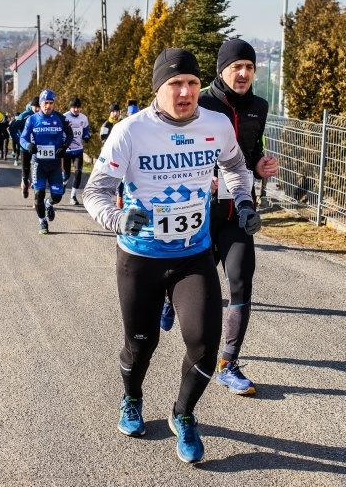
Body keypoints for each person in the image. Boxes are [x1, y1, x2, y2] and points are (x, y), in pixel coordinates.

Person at [83, 48, 261, 464]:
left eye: (193, 83)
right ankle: (132, 398)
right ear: (157, 89)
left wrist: (243, 199)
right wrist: (116, 219)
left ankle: (183, 413)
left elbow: (237, 167)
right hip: (140, 258)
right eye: (175, 84)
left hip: (192, 255)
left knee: (204, 344)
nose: (185, 92)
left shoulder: (216, 125)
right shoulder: (130, 132)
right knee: (140, 346)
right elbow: (96, 191)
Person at [160, 39, 278, 396]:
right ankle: (167, 299)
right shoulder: (202, 103)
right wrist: (201, 176)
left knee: (241, 282)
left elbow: (251, 153)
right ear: (221, 69)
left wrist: (259, 166)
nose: (243, 73)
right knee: (190, 281)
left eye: (249, 67)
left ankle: (228, 363)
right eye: (236, 66)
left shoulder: (259, 106)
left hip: (238, 212)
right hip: (200, 213)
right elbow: (176, 150)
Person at [19, 89, 70, 234]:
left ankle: (49, 203)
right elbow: (23, 138)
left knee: (57, 196)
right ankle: (42, 221)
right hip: (38, 164)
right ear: (40, 103)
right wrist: (28, 145)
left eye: (51, 103)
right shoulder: (32, 119)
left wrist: (64, 147)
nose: (48, 106)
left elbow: (70, 134)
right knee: (38, 194)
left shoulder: (60, 118)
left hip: (54, 164)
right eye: (45, 103)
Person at [9, 98, 40, 199]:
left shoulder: (43, 116)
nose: (38, 109)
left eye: (39, 107)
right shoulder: (24, 115)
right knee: (25, 171)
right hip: (25, 148)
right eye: (36, 107)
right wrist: (19, 141)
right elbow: (12, 129)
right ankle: (25, 183)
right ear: (31, 106)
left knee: (37, 171)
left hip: (38, 148)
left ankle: (37, 198)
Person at [63, 97, 91, 205]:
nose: (76, 110)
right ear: (70, 107)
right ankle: (63, 184)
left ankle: (73, 196)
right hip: (66, 150)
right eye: (74, 107)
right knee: (66, 174)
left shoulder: (83, 118)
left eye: (78, 107)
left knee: (78, 172)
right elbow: (60, 130)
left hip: (78, 150)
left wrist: (86, 136)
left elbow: (85, 129)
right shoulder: (65, 117)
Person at [99, 103, 123, 207]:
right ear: (110, 113)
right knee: (108, 176)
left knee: (121, 177)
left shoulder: (122, 123)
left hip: (121, 154)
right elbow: (103, 139)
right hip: (109, 154)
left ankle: (119, 198)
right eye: (113, 111)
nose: (115, 113)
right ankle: (104, 197)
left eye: (117, 111)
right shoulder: (106, 125)